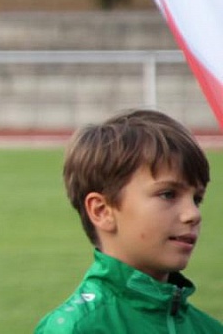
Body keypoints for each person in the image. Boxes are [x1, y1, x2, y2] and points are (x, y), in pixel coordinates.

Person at [35, 108, 221, 333]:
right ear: (102, 211)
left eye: (197, 199)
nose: (193, 214)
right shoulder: (76, 328)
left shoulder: (207, 328)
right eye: (168, 194)